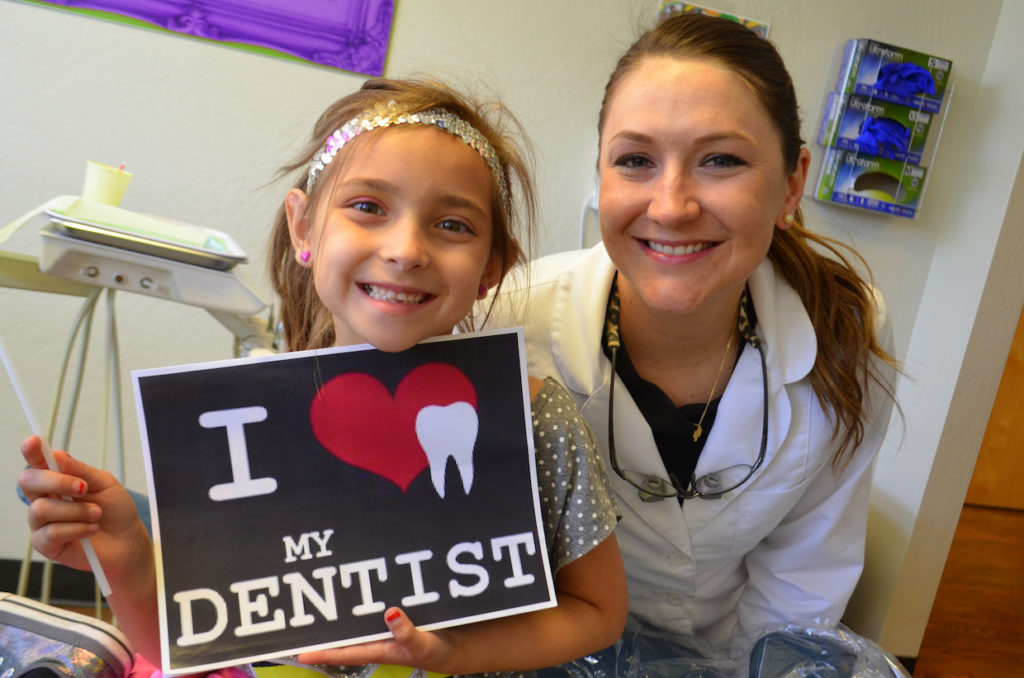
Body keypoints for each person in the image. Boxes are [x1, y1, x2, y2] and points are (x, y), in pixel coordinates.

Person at [18, 78, 627, 678]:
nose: (406, 249)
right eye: (368, 207)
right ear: (304, 227)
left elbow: (597, 611)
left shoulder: (530, 416)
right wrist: (128, 558)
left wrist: (455, 654)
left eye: (453, 225)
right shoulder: (245, 426)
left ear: (492, 266)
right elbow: (197, 645)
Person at [486, 12, 900, 659]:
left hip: (730, 652)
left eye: (721, 160)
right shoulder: (510, 322)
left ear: (792, 182)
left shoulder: (847, 327)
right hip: (540, 653)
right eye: (635, 160)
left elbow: (801, 579)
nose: (672, 205)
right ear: (601, 174)